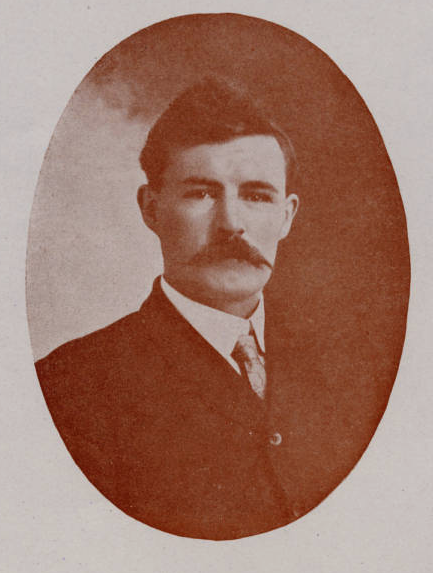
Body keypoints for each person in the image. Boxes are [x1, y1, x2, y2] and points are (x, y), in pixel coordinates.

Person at [35, 78, 375, 540]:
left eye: (257, 196)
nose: (232, 224)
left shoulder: (349, 370)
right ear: (151, 208)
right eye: (201, 193)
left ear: (287, 216)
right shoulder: (69, 386)